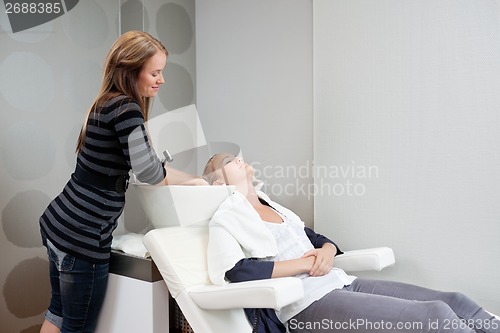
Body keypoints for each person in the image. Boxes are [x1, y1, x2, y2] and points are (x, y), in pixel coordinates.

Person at [202, 153, 500, 333]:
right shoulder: (226, 217)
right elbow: (237, 271)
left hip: (340, 282)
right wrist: (306, 263)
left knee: (455, 301)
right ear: (217, 183)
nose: (239, 159)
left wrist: (327, 253)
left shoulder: (276, 208)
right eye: (228, 161)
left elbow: (321, 240)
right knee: (435, 316)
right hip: (306, 305)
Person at [38, 31, 205, 333]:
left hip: (58, 224)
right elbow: (151, 174)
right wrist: (196, 180)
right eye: (155, 72)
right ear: (131, 70)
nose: (161, 80)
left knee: (58, 312)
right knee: (78, 326)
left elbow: (140, 165)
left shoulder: (104, 103)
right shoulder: (127, 109)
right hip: (82, 238)